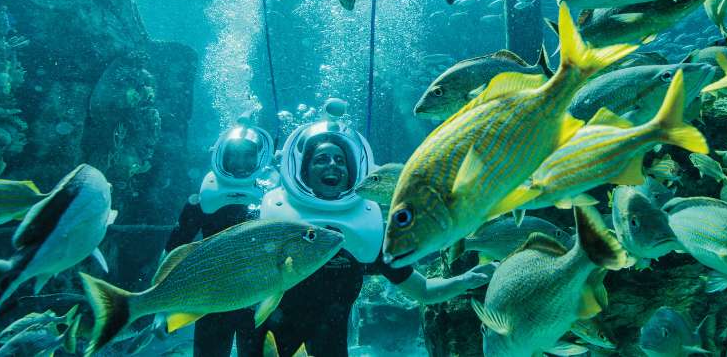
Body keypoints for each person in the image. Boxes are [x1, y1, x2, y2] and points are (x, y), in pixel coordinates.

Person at [253, 100, 492, 356]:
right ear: (305, 170)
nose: (333, 165)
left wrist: (465, 280)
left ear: (352, 171)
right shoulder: (270, 219)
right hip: (266, 344)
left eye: (340, 160)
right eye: (321, 159)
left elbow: (422, 290)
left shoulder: (367, 233)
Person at [162, 120, 276, 357]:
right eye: (234, 156)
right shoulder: (201, 201)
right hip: (212, 297)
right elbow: (173, 252)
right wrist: (162, 308)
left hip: (257, 296)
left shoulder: (271, 197)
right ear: (221, 157)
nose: (242, 163)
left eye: (248, 156)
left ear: (260, 158)